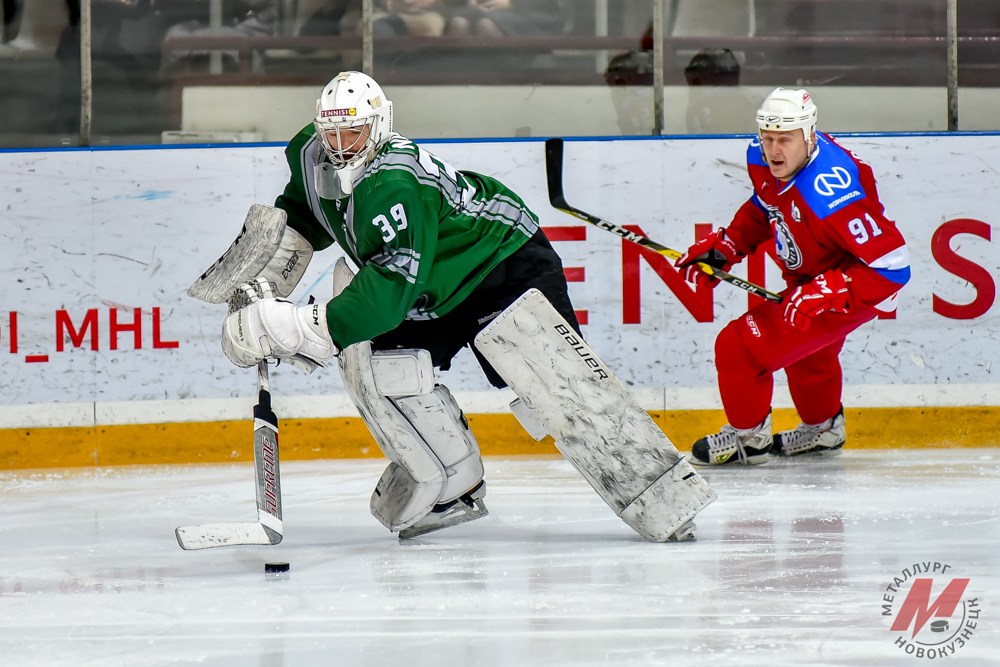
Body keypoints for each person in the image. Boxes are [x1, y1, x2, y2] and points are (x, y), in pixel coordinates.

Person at [192, 71, 716, 542]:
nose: (340, 146)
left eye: (352, 134)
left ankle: (665, 496)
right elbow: (305, 215)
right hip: (433, 284)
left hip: (501, 265)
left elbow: (386, 292)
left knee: (556, 390)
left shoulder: (393, 182)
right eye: (330, 133)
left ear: (379, 127)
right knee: (380, 366)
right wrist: (264, 279)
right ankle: (451, 485)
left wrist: (288, 326)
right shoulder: (311, 155)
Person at [676, 88, 910, 465]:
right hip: (809, 279)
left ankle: (748, 438)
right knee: (810, 357)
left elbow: (892, 266)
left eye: (785, 139)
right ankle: (823, 429)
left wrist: (831, 288)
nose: (773, 150)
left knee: (738, 346)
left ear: (810, 135)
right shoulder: (762, 158)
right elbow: (765, 205)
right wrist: (729, 245)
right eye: (768, 138)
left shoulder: (832, 192)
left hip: (851, 286)